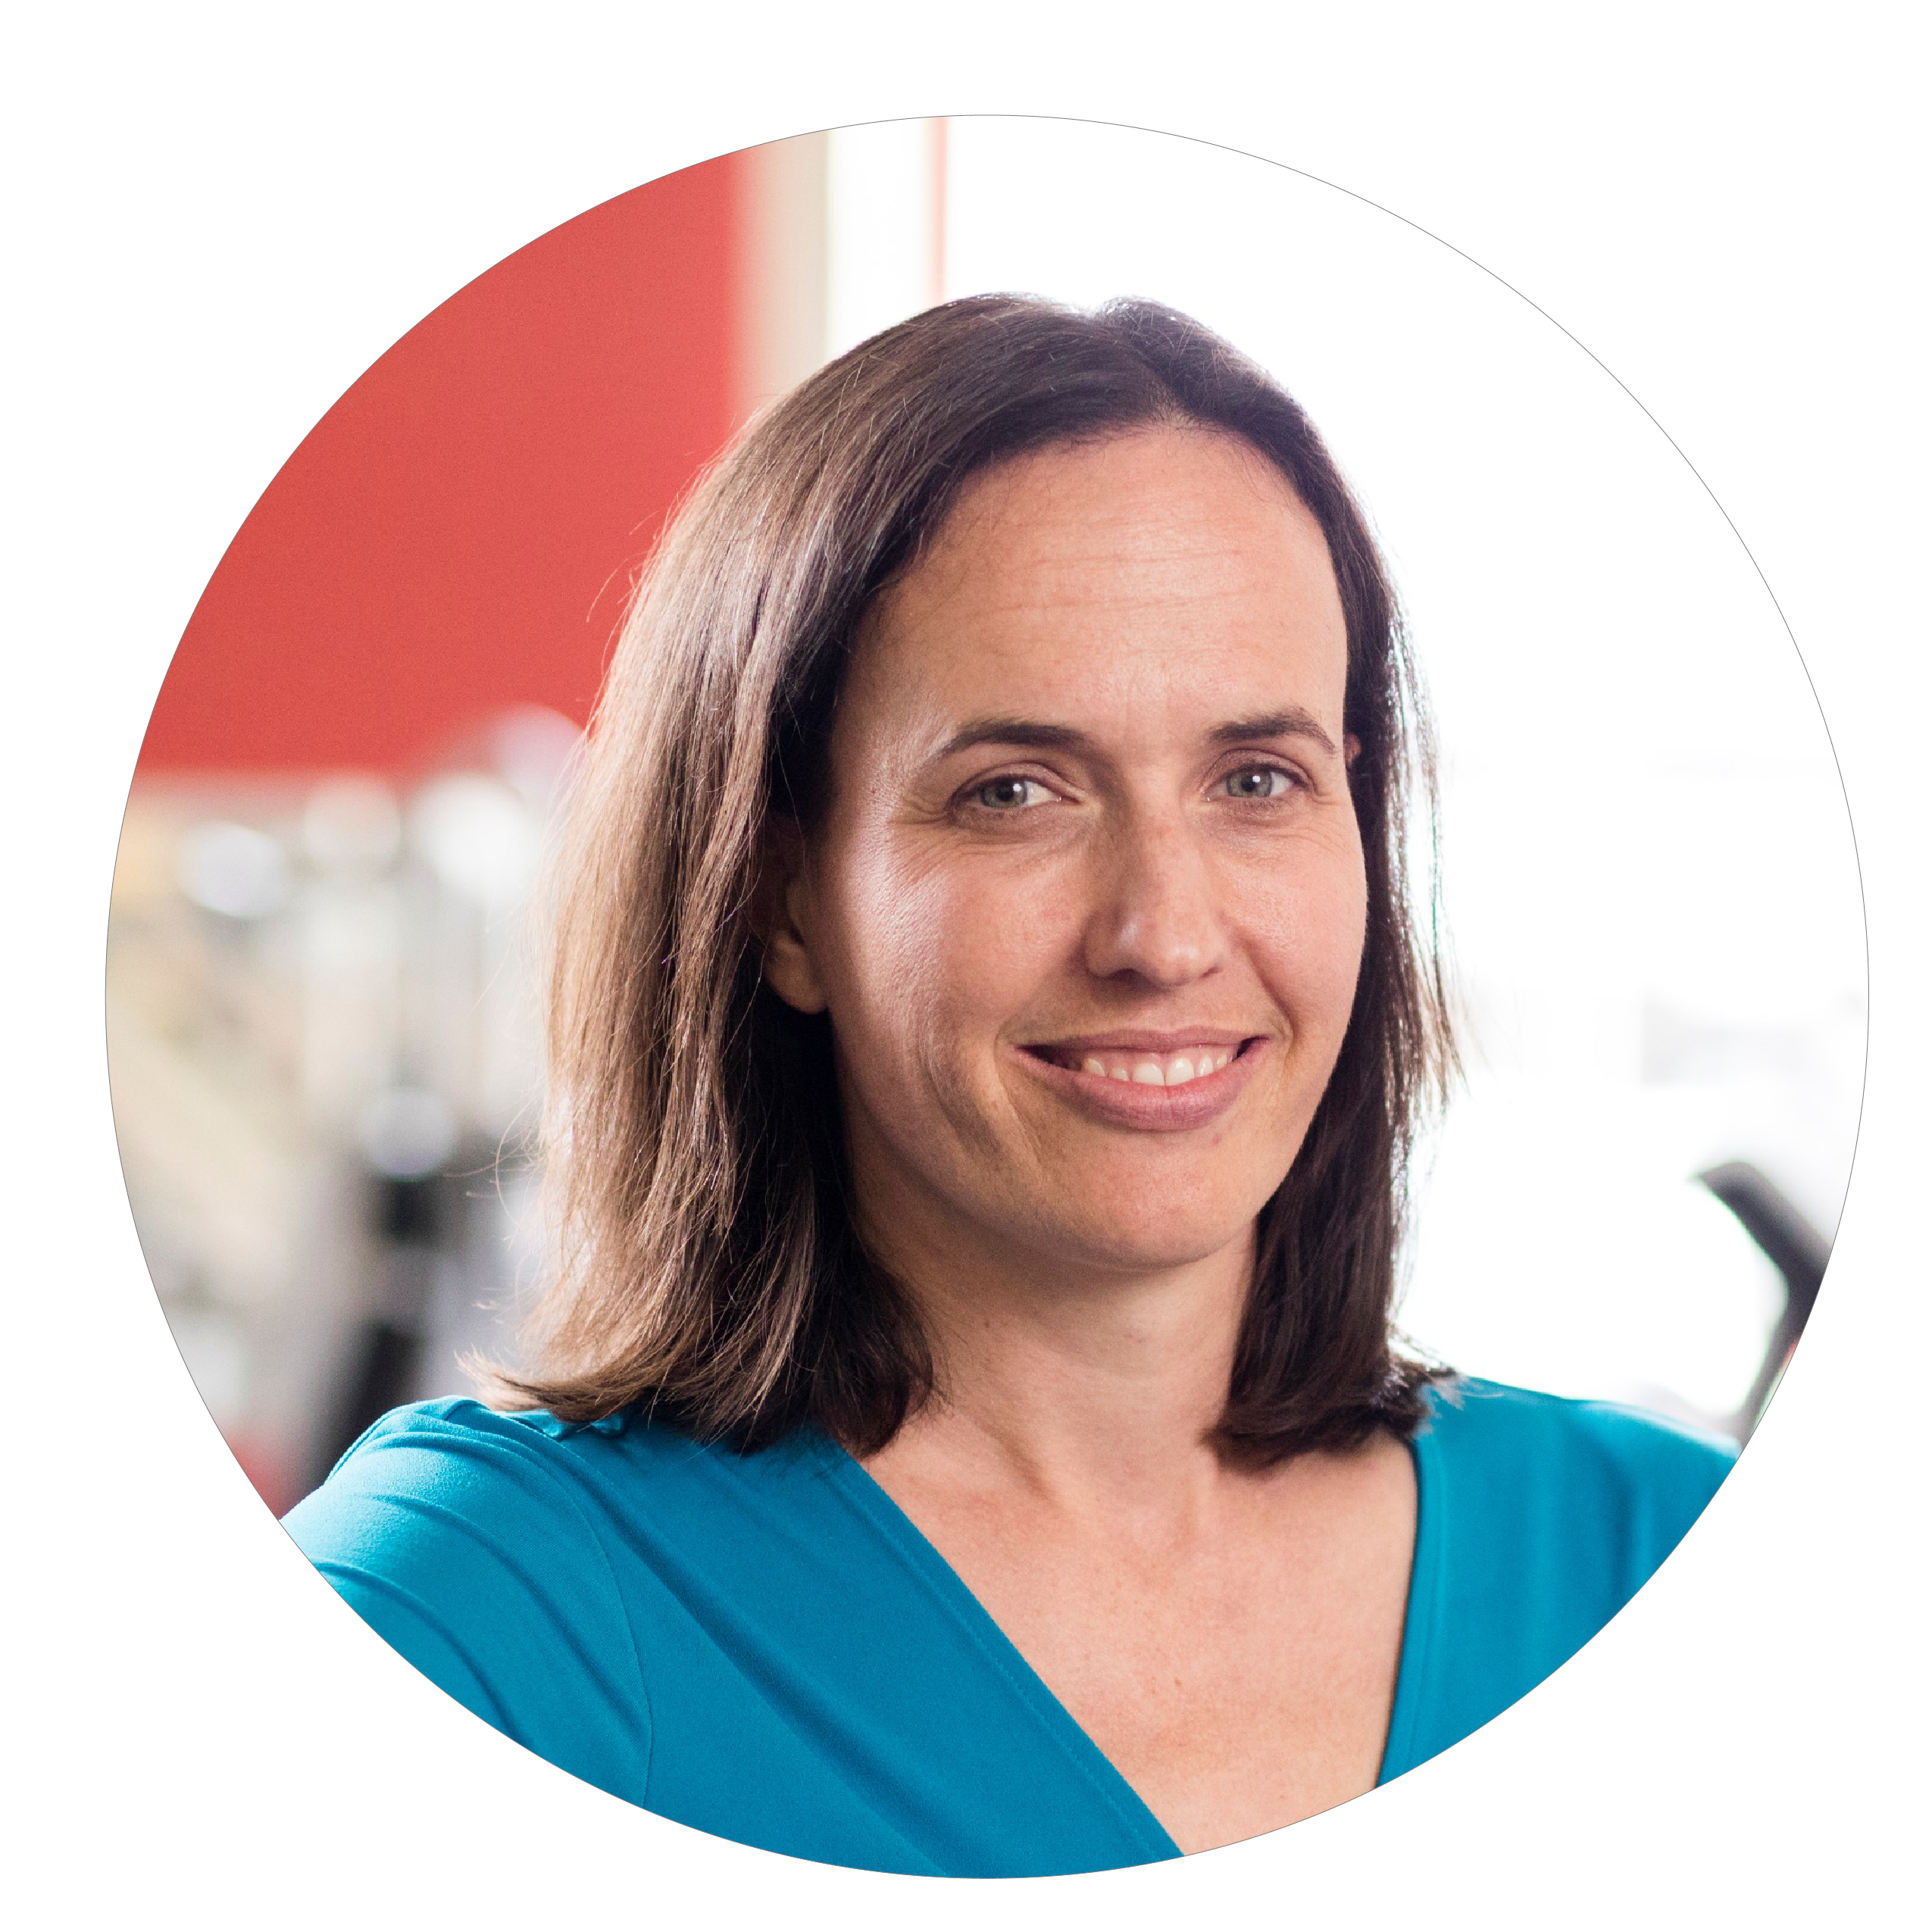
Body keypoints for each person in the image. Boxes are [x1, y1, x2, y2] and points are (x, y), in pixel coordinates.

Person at [283, 295, 1736, 1877]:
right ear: (779, 900)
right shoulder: (481, 1621)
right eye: (1013, 793)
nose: (1165, 934)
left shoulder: (1662, 1560)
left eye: (1260, 780)